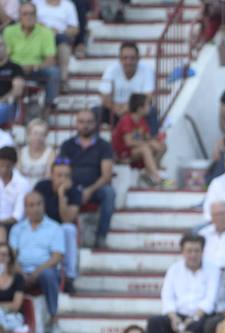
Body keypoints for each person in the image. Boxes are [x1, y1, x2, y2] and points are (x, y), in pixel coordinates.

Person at [148, 233, 219, 333]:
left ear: (202, 251)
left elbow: (210, 299)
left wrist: (194, 318)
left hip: (200, 317)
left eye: (197, 251)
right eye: (189, 251)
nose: (193, 255)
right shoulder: (174, 269)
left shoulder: (213, 269)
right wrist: (173, 317)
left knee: (198, 327)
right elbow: (167, 296)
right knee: (154, 322)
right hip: (177, 316)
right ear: (182, 252)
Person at [9, 190, 63, 333]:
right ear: (25, 208)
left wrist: (36, 272)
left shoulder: (55, 227)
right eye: (31, 205)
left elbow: (57, 257)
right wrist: (21, 272)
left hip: (44, 270)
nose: (35, 208)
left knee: (49, 275)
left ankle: (53, 318)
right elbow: (11, 256)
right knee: (7, 274)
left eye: (38, 204)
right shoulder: (17, 229)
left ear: (44, 205)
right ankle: (11, 318)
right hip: (21, 270)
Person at [60, 108, 115, 249]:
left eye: (89, 122)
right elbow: (62, 170)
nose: (85, 125)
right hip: (71, 187)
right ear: (76, 124)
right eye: (81, 122)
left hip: (95, 189)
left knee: (109, 193)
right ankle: (58, 236)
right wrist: (74, 189)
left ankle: (101, 237)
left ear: (96, 123)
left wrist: (89, 190)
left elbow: (106, 175)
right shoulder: (67, 145)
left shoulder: (104, 146)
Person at [34, 158, 80, 293]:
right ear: (51, 175)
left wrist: (61, 196)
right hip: (42, 226)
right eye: (59, 175)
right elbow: (33, 211)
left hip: (60, 229)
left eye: (66, 175)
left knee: (69, 229)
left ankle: (69, 278)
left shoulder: (74, 191)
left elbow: (67, 219)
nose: (63, 179)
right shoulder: (41, 186)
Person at [4, 3, 59, 112]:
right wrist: (16, 67)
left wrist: (34, 66)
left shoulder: (45, 32)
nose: (29, 16)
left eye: (32, 14)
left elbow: (50, 59)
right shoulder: (9, 31)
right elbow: (5, 55)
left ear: (36, 16)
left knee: (53, 71)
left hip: (36, 69)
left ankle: (48, 106)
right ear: (19, 16)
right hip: (14, 69)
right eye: (25, 14)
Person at [98, 41, 156, 133]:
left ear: (138, 58)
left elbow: (148, 96)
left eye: (132, 58)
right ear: (120, 59)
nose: (128, 62)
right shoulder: (111, 70)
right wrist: (116, 108)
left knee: (151, 111)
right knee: (95, 112)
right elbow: (104, 96)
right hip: (115, 111)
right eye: (125, 58)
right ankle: (93, 144)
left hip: (136, 111)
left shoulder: (146, 70)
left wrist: (127, 108)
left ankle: (152, 140)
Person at [111, 93, 166, 188]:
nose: (150, 107)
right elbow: (129, 142)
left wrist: (157, 139)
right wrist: (148, 142)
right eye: (148, 105)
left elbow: (147, 137)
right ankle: (157, 178)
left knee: (162, 146)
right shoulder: (126, 120)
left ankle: (149, 171)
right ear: (140, 108)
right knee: (145, 148)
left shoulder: (141, 120)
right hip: (123, 154)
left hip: (134, 151)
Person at [34, 0, 78, 88]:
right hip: (39, 34)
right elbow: (29, 21)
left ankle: (63, 79)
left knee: (63, 40)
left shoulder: (68, 5)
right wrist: (47, 30)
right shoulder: (36, 3)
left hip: (59, 35)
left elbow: (75, 29)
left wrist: (60, 31)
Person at [0, 146, 29, 243]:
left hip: (13, 225)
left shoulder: (22, 183)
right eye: (1, 165)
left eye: (7, 166)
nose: (3, 170)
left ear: (14, 165)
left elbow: (17, 217)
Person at [0, 242, 24, 333]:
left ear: (10, 258)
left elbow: (15, 306)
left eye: (4, 255)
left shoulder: (18, 278)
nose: (1, 258)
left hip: (12, 317)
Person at [0, 35, 23, 127]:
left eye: (0, 45)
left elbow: (17, 90)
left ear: (5, 48)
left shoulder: (14, 67)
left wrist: (2, 100)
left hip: (6, 104)